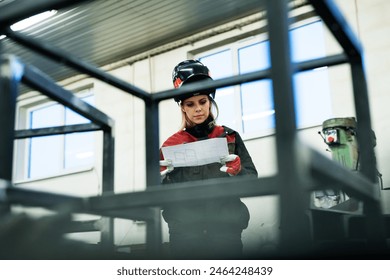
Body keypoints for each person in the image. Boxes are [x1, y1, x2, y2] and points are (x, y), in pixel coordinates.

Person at [159, 59, 258, 259]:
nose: (198, 109)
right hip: (186, 237)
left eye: (203, 102)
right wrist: (161, 179)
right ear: (182, 107)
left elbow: (253, 183)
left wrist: (239, 171)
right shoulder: (170, 146)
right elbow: (160, 199)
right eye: (190, 104)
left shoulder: (229, 137)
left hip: (225, 234)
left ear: (210, 101)